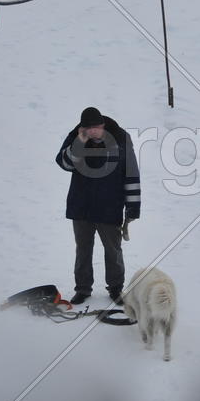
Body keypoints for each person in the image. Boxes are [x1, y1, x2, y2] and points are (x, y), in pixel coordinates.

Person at [56, 107, 141, 305]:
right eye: (89, 128)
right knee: (83, 250)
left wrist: (132, 207)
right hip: (81, 206)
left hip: (109, 206)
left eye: (97, 126)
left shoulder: (121, 138)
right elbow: (63, 163)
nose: (94, 131)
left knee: (113, 250)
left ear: (103, 124)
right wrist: (79, 143)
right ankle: (83, 289)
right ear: (83, 128)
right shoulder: (75, 138)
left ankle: (116, 289)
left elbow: (132, 173)